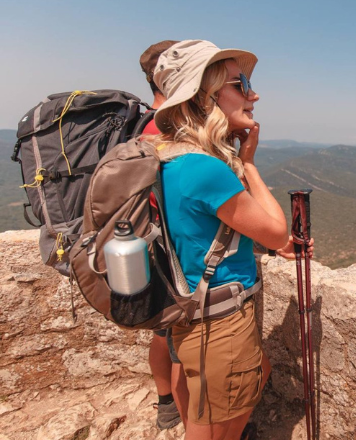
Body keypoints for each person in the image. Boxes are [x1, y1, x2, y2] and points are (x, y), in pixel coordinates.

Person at [150, 39, 313, 440]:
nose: (254, 95)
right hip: (220, 325)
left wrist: (268, 242)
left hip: (195, 316)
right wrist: (250, 163)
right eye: (241, 85)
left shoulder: (170, 156)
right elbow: (277, 229)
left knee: (245, 385)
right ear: (205, 96)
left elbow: (202, 229)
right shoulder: (204, 169)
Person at [138, 39, 189, 431]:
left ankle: (165, 403)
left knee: (162, 335)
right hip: (173, 255)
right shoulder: (166, 127)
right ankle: (193, 423)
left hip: (149, 246)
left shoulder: (143, 123)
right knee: (180, 351)